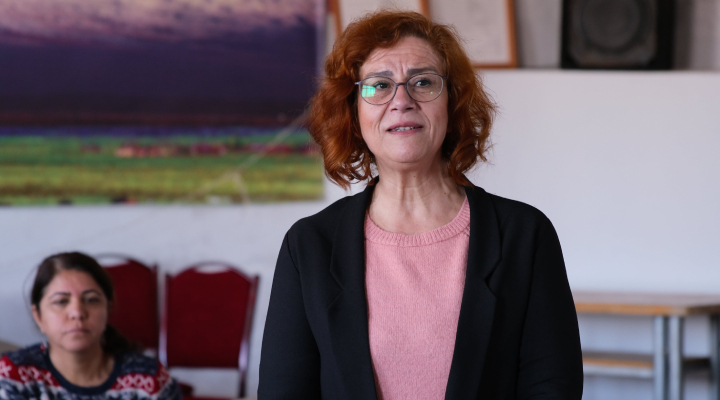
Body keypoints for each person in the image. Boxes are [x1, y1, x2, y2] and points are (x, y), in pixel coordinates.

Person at [259, 10, 583, 400]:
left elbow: (552, 388)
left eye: (423, 82)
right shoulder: (308, 245)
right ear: (352, 111)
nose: (402, 101)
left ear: (452, 102)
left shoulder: (524, 235)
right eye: (379, 85)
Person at [0, 252, 181, 400]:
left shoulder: (149, 379)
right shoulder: (14, 375)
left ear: (108, 309)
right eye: (61, 301)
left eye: (91, 300)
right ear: (38, 316)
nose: (77, 312)